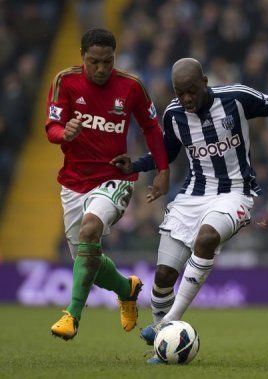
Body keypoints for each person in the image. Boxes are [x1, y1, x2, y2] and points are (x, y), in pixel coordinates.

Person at [112, 57, 268, 363]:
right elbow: (166, 154)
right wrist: (136, 164)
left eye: (191, 91)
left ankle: (164, 323)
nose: (186, 98)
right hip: (192, 197)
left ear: (205, 82)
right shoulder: (173, 114)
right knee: (163, 275)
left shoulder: (235, 98)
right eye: (179, 92)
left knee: (207, 238)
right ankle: (163, 344)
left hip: (235, 193)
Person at [45, 28, 170, 340]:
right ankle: (126, 288)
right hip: (74, 182)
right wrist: (65, 134)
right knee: (86, 260)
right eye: (94, 62)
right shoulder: (65, 81)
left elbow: (152, 127)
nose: (101, 68)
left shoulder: (131, 86)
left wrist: (163, 168)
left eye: (107, 61)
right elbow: (52, 127)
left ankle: (71, 314)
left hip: (115, 177)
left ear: (115, 57)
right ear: (82, 58)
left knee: (90, 230)